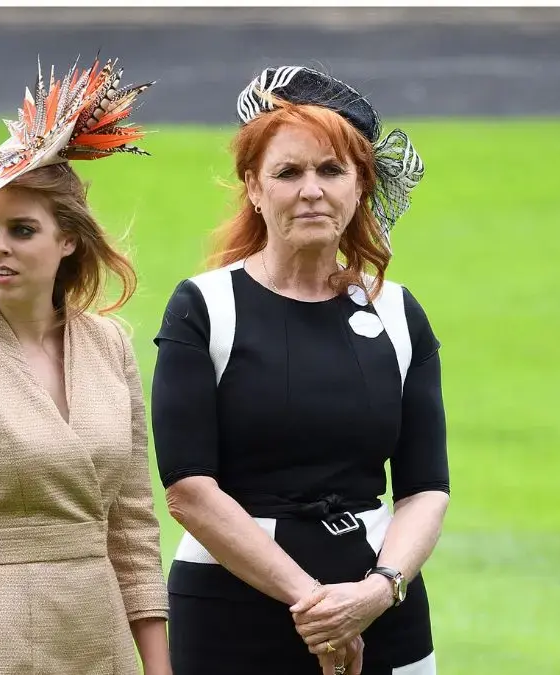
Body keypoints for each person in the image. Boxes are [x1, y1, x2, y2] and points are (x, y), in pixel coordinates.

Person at [150, 65, 447, 675]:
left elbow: (425, 488)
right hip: (232, 615)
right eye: (288, 172)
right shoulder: (204, 306)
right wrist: (317, 607)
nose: (311, 189)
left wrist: (375, 592)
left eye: (331, 170)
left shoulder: (397, 312)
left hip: (381, 607)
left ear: (360, 185)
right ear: (254, 189)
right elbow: (187, 490)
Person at [0, 56, 170, 675]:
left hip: (99, 644)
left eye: (22, 230)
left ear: (67, 239)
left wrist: (158, 667)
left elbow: (132, 528)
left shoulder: (110, 347)